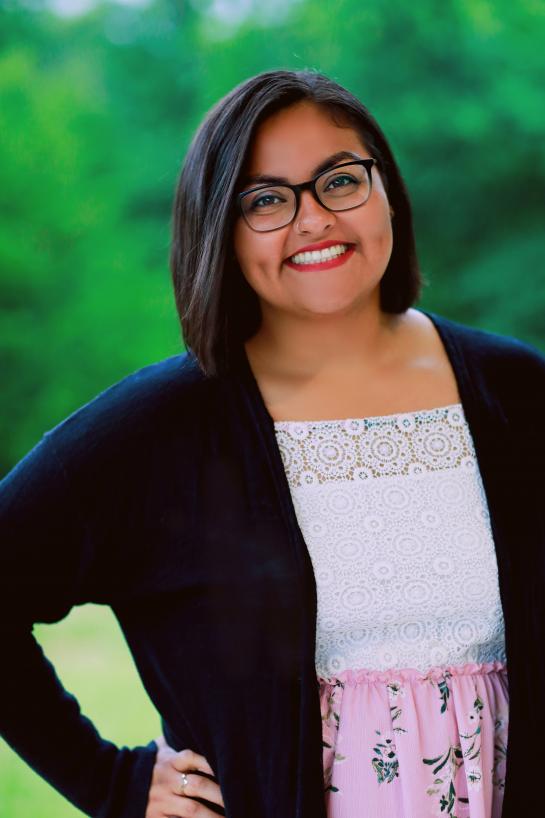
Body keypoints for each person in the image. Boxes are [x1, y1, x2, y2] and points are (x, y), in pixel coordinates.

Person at [1, 69, 544, 818]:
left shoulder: (518, 392)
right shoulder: (157, 431)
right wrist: (108, 782)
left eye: (339, 181)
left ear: (386, 188)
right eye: (266, 200)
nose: (314, 218)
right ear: (217, 227)